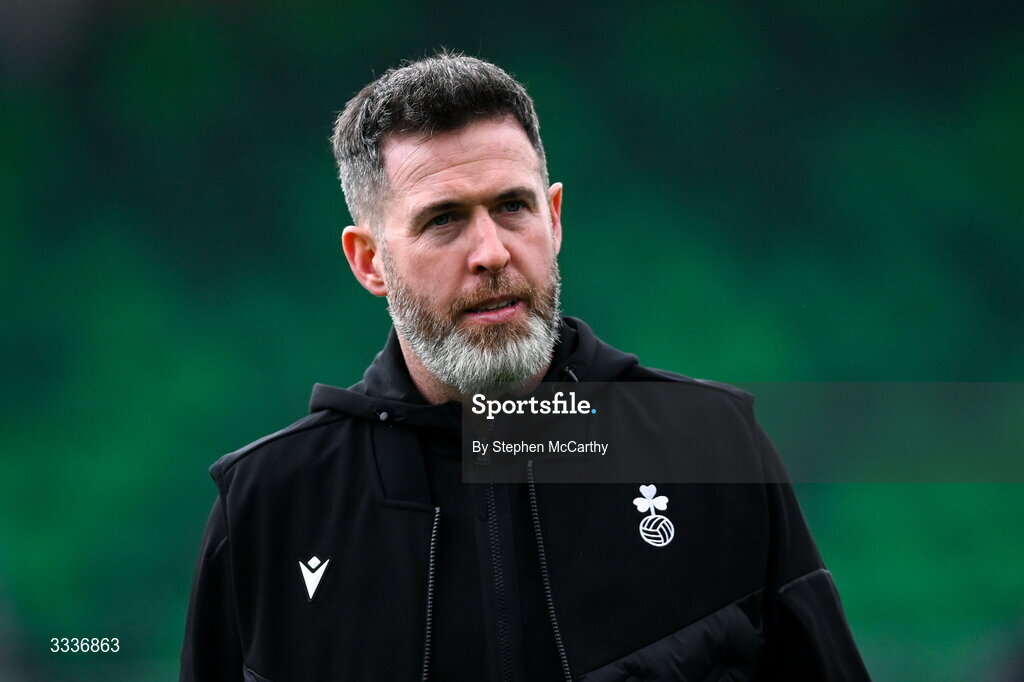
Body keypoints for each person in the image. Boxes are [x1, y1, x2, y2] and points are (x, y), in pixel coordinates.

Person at [180, 52, 870, 681]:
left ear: (556, 218)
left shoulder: (715, 448)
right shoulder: (268, 508)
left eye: (513, 207)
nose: (491, 252)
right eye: (443, 220)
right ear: (368, 261)